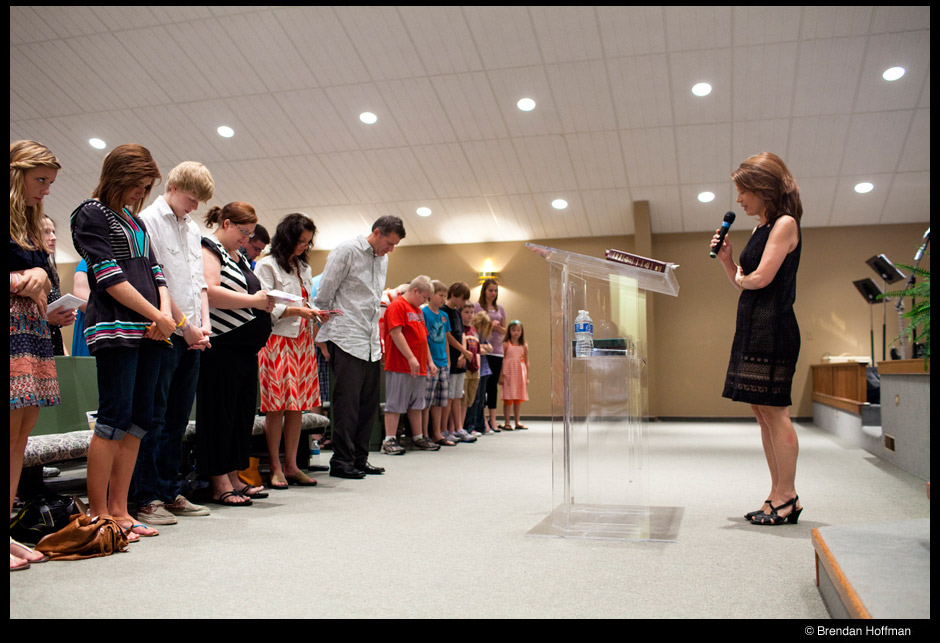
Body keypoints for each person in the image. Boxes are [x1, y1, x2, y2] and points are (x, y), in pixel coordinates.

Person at [70, 143, 173, 541]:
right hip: (116, 327)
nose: (139, 194)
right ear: (118, 176)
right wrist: (157, 315)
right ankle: (100, 514)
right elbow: (108, 277)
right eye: (136, 185)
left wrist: (165, 316)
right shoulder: (91, 213)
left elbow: (156, 272)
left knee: (138, 420)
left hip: (150, 328)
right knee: (113, 417)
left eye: (145, 187)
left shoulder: (135, 220)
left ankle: (121, 509)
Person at [713, 152, 804, 526]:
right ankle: (775, 492)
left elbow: (760, 280)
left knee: (776, 412)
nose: (739, 201)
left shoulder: (785, 224)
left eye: (743, 192)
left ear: (763, 188)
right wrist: (727, 260)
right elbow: (745, 283)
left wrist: (744, 278)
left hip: (776, 329)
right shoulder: (759, 229)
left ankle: (788, 496)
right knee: (761, 411)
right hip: (752, 327)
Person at [131, 161, 216, 526]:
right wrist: (184, 326)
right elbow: (157, 281)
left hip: (193, 334)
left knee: (179, 417)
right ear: (174, 185)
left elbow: (198, 282)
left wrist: (203, 325)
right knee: (156, 416)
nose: (195, 206)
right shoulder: (149, 220)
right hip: (166, 333)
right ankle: (146, 496)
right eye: (192, 198)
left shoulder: (192, 226)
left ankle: (169, 490)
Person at [314, 216, 405, 479]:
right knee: (346, 404)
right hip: (346, 336)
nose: (391, 250)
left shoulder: (383, 259)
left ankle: (360, 458)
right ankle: (341, 461)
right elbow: (324, 296)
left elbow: (373, 300)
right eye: (389, 243)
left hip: (370, 341)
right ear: (376, 233)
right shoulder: (346, 251)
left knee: (367, 405)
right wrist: (323, 336)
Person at [199, 202, 274, 506]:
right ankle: (218, 481)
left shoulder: (239, 255)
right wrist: (254, 301)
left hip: (244, 350)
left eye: (250, 233)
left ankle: (232, 475)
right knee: (220, 415)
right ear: (227, 223)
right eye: (244, 232)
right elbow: (210, 291)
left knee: (239, 417)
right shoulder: (210, 248)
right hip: (222, 347)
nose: (247, 239)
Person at [10, 140, 61, 570]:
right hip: (12, 326)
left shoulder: (30, 223)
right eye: (39, 180)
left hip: (32, 327)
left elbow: (42, 275)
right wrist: (22, 277)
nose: (45, 190)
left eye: (50, 183)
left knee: (21, 432)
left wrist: (41, 272)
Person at [256, 213, 329, 488]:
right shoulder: (266, 266)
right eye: (300, 241)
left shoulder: (303, 268)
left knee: (298, 406)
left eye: (308, 243)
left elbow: (306, 302)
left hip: (302, 340)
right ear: (286, 237)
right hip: (276, 340)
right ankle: (274, 466)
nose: (303, 247)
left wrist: (316, 313)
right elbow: (263, 305)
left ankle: (291, 465)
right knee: (276, 406)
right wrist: (299, 310)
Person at [380, 275, 441, 455]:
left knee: (416, 404)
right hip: (400, 364)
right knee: (395, 403)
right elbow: (396, 333)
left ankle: (418, 437)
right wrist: (410, 357)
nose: (425, 301)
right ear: (415, 291)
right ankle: (389, 439)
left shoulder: (419, 311)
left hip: (419, 366)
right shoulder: (397, 306)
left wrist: (429, 361)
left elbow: (423, 337)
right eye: (424, 297)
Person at [442, 282, 476, 443]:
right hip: (449, 357)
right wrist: (463, 351)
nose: (463, 303)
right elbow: (448, 336)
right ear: (454, 295)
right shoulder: (444, 311)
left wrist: (463, 354)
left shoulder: (456, 312)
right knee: (448, 397)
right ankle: (446, 430)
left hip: (459, 358)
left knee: (457, 396)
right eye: (462, 299)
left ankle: (458, 428)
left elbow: (460, 333)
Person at [421, 280, 454, 447]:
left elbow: (446, 340)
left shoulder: (444, 315)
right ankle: (425, 434)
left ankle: (437, 433)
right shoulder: (424, 313)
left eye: (445, 296)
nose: (443, 299)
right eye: (440, 295)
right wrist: (429, 360)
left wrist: (447, 360)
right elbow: (424, 339)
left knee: (440, 400)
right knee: (427, 400)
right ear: (431, 295)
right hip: (430, 362)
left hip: (443, 362)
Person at [474, 278, 507, 431]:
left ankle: (493, 420)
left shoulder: (500, 309)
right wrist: (487, 325)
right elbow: (473, 326)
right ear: (484, 291)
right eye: (490, 290)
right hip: (481, 349)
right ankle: (482, 420)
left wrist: (498, 327)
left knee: (492, 386)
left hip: (497, 350)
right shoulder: (476, 306)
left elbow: (505, 332)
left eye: (495, 291)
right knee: (481, 386)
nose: (493, 293)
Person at [42, 216, 77, 355]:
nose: (53, 237)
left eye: (54, 232)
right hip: (31, 345)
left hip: (53, 344)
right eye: (46, 232)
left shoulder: (51, 270)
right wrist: (47, 319)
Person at [499, 320, 530, 430]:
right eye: (513, 330)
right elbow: (502, 361)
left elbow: (526, 362)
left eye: (518, 330)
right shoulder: (505, 344)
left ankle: (517, 422)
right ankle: (507, 422)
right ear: (509, 331)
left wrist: (527, 377)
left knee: (518, 398)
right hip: (508, 373)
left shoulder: (524, 345)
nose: (516, 333)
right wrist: (501, 375)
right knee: (508, 398)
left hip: (519, 374)